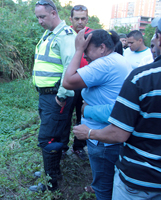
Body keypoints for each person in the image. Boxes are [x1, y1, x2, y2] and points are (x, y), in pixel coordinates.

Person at [73, 16, 161, 200]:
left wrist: (88, 130)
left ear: (159, 39)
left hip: (140, 178)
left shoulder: (142, 78)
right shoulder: (127, 66)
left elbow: (119, 130)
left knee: (104, 187)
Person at [62, 29, 132, 199]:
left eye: (87, 50)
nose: (85, 56)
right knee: (111, 181)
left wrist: (78, 49)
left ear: (102, 48)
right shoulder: (118, 60)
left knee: (103, 188)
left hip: (103, 141)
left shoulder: (105, 64)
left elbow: (68, 81)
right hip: (111, 136)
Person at [29, 0, 76, 192]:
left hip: (56, 96)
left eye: (43, 16)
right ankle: (52, 170)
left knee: (47, 139)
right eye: (37, 17)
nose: (40, 21)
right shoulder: (49, 34)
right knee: (54, 134)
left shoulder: (65, 36)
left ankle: (50, 183)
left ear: (54, 13)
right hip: (46, 96)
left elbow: (69, 66)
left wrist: (62, 95)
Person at [61, 5, 93, 161]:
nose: (80, 22)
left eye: (83, 18)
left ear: (87, 19)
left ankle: (79, 147)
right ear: (71, 19)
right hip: (67, 82)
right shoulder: (64, 34)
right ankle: (62, 146)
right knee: (64, 116)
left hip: (86, 84)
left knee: (83, 116)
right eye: (77, 18)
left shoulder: (92, 35)